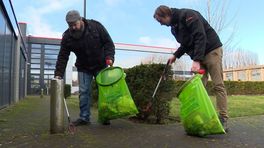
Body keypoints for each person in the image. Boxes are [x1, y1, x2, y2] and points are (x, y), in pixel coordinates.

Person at [153, 5, 229, 132]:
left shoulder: (188, 15)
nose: (161, 24)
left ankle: (223, 118)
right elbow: (185, 44)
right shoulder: (174, 28)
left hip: (211, 50)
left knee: (218, 85)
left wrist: (196, 60)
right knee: (199, 87)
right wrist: (175, 55)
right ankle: (203, 117)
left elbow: (200, 36)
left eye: (160, 21)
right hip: (199, 54)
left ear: (166, 14)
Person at [54, 10, 115, 126]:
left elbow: (108, 43)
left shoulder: (96, 27)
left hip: (101, 64)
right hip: (83, 67)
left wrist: (109, 57)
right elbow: (63, 56)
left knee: (104, 91)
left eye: (74, 24)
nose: (73, 27)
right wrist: (58, 74)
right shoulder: (67, 37)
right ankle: (84, 117)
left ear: (80, 20)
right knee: (84, 91)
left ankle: (105, 116)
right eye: (70, 25)